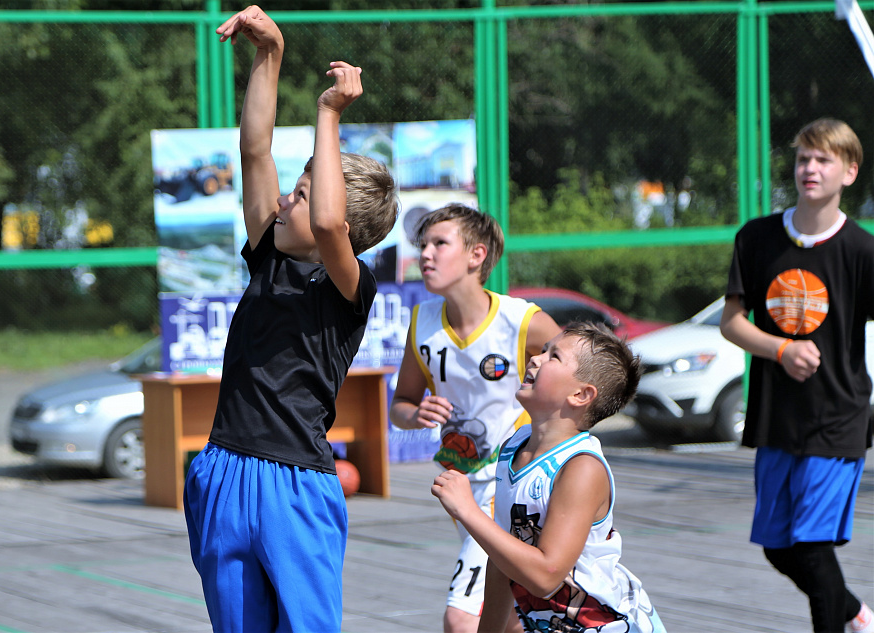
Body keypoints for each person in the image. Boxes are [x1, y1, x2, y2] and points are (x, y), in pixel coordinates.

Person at [183, 6, 399, 633]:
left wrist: (328, 113)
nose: (286, 198)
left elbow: (330, 222)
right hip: (224, 468)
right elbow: (254, 149)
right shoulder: (268, 260)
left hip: (294, 485)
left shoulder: (347, 287)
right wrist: (270, 54)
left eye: (301, 193)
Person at [720, 117, 874, 633]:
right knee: (779, 548)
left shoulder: (862, 251)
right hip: (776, 417)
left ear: (849, 173)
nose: (810, 168)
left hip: (838, 416)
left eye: (823, 159)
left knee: (811, 547)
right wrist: (781, 349)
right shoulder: (758, 238)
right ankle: (857, 615)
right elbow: (732, 323)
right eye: (804, 157)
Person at [389, 203, 561, 633]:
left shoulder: (523, 321)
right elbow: (401, 404)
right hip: (460, 482)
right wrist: (416, 414)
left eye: (439, 244)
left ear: (476, 255)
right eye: (422, 245)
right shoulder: (423, 323)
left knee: (462, 618)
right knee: (508, 616)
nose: (425, 254)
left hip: (512, 481)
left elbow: (583, 374)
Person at [431, 322, 667, 632]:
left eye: (553, 356)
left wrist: (468, 511)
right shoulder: (514, 447)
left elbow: (546, 575)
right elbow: (502, 560)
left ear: (581, 394)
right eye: (543, 350)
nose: (536, 359)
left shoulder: (581, 467)